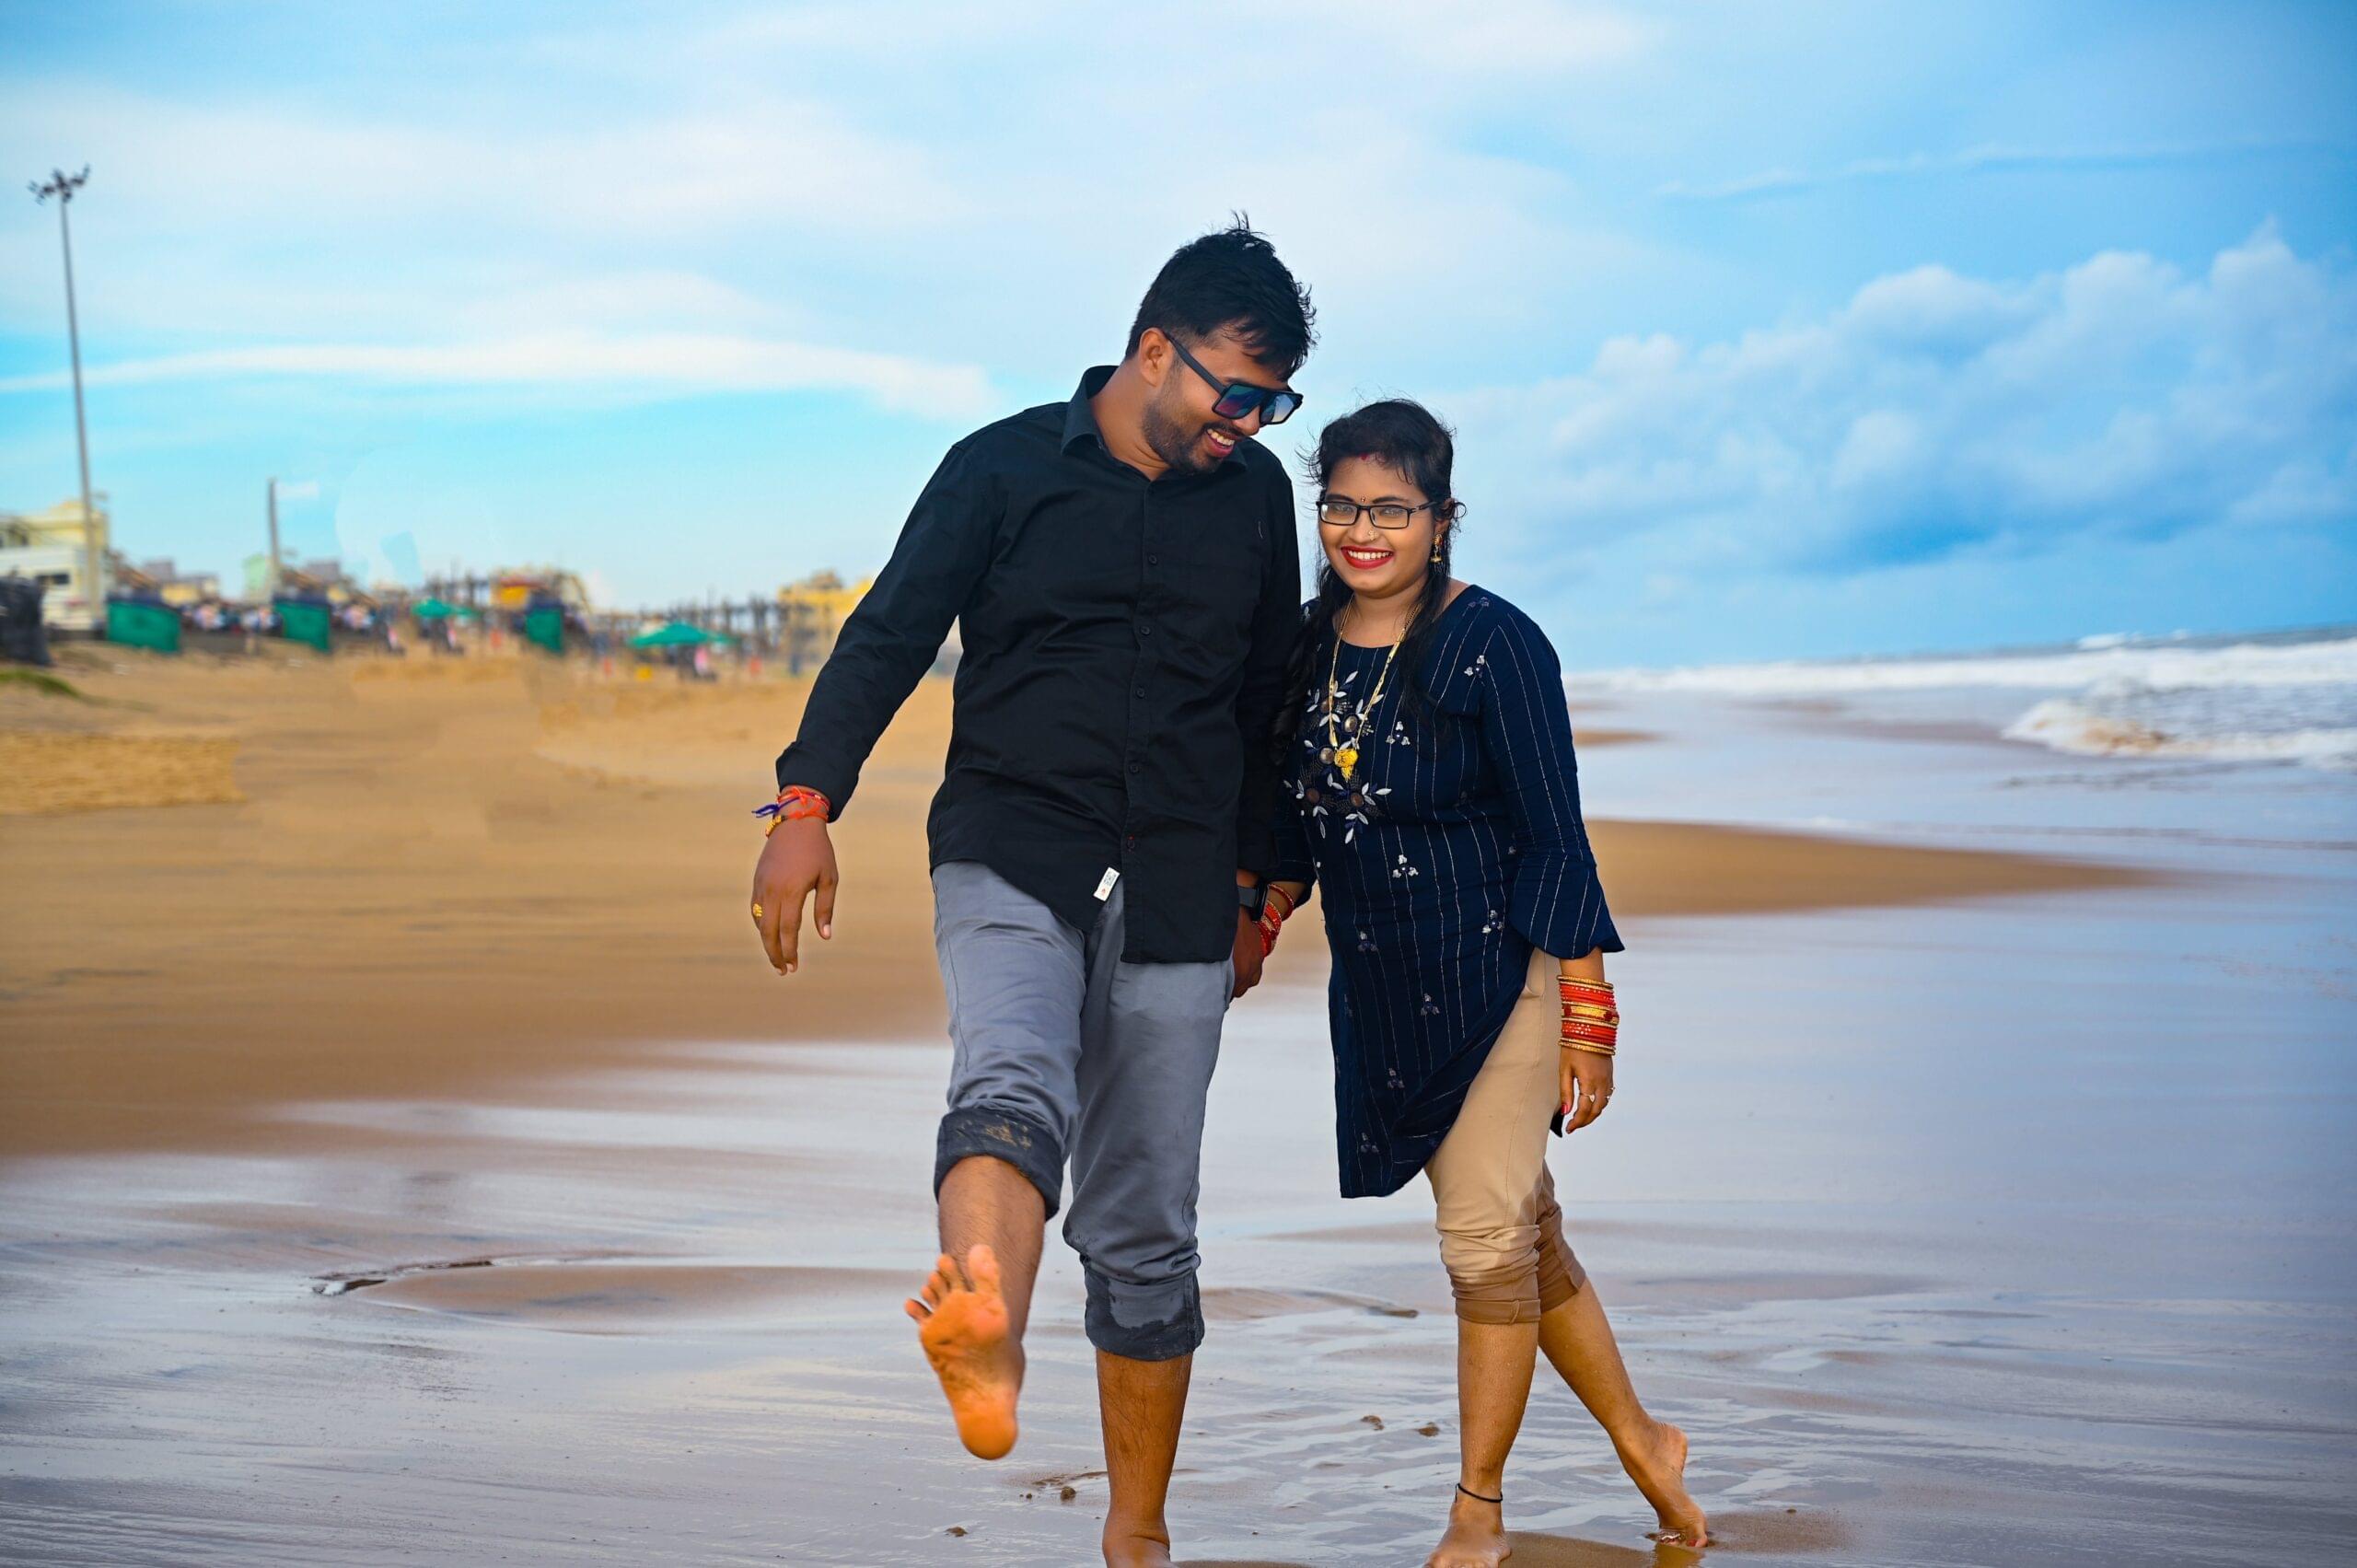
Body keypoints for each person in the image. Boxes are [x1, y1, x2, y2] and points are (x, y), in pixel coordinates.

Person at [751, 222, 1312, 1568]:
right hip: (1013, 841)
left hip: (1183, 876)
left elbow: (1268, 701)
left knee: (1147, 1221)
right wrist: (805, 803)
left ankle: (1138, 1533)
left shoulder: (1253, 496)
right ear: (1153, 351)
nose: (1247, 423)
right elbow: (890, 630)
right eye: (1234, 392)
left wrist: (1265, 891)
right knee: (1011, 1073)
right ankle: (987, 1325)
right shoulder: (999, 468)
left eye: (1273, 403)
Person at [1257, 401, 1708, 1563]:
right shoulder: (1303, 645)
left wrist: (1590, 1014)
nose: (1363, 531)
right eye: (1342, 505)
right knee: (1519, 1227)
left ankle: (1477, 1511)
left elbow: (1556, 835)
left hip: (1501, 972)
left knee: (1481, 1242)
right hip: (1384, 986)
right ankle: (1645, 1441)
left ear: (1441, 517)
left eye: (1392, 509)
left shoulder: (1496, 643)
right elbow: (1302, 822)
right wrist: (1258, 912)